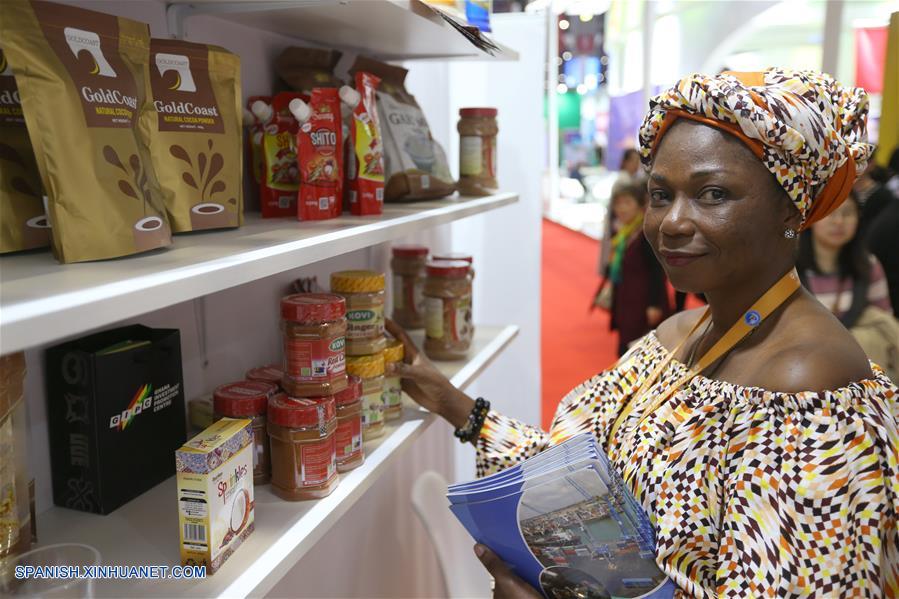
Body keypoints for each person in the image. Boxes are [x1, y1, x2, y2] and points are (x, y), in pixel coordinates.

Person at [388, 68, 899, 597]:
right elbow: (580, 482)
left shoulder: (806, 384)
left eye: (713, 194)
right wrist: (448, 400)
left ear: (790, 207)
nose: (672, 221)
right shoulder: (681, 333)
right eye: (660, 194)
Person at [797, 192, 899, 381]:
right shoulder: (790, 269)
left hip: (861, 375)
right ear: (812, 217)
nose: (839, 222)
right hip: (805, 373)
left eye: (847, 213)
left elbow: (884, 323)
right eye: (830, 213)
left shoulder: (869, 265)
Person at [596, 184, 670, 356]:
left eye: (627, 203)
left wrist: (654, 304)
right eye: (618, 204)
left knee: (639, 355)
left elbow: (657, 271)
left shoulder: (646, 234)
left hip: (642, 305)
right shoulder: (623, 233)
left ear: (639, 205)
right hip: (625, 303)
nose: (621, 208)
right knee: (625, 351)